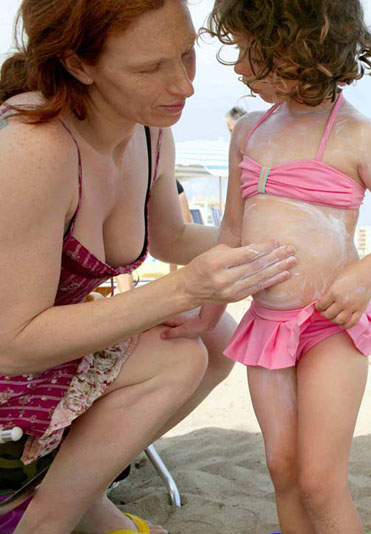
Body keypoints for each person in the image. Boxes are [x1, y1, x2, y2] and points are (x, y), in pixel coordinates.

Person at [0, 1, 298, 533]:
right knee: (175, 356)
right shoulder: (32, 146)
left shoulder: (147, 129)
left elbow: (172, 237)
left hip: (32, 371)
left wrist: (286, 241)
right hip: (11, 366)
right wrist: (185, 289)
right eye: (150, 68)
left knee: (214, 339)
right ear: (79, 64)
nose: (184, 85)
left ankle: (78, 493)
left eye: (187, 54)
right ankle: (40, 520)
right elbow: (13, 343)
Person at [166, 1, 371, 532]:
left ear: (296, 46)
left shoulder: (360, 137)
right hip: (268, 327)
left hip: (331, 324)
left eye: (248, 50)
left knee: (319, 481)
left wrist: (366, 275)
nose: (238, 67)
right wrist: (208, 313)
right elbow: (231, 235)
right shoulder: (249, 133)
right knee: (282, 469)